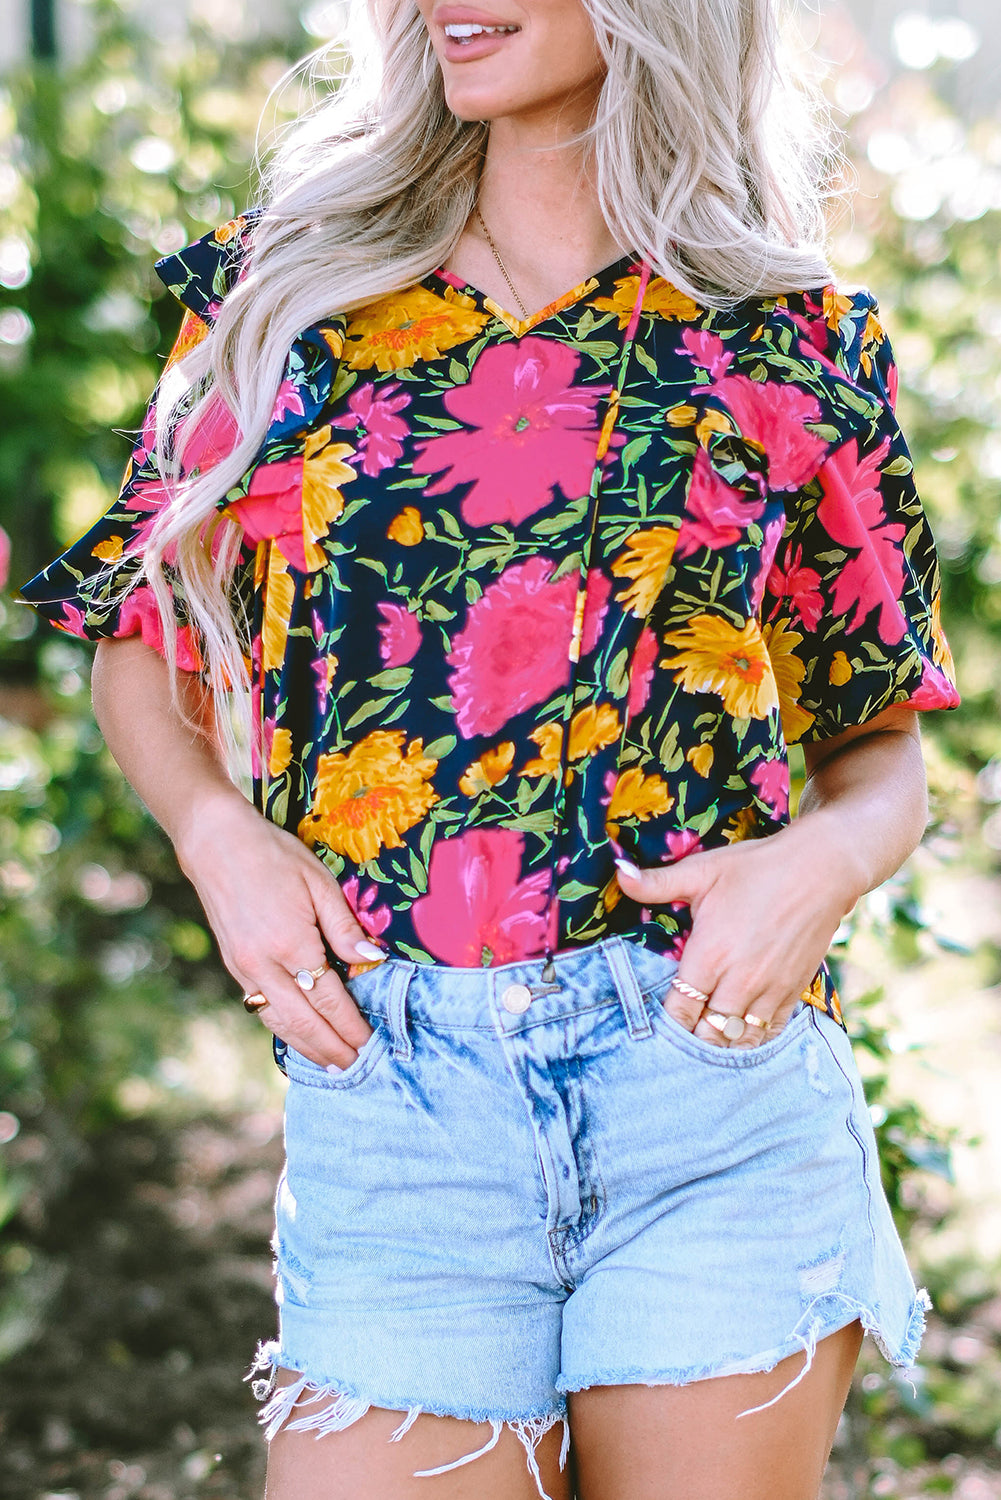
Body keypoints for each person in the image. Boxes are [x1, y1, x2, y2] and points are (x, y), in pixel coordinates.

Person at [19, 0, 962, 1495]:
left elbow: (879, 738)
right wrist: (216, 837)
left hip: (707, 1087)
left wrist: (821, 869)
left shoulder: (783, 337)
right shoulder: (293, 296)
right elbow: (147, 635)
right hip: (399, 1108)